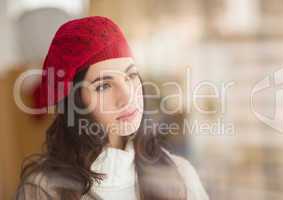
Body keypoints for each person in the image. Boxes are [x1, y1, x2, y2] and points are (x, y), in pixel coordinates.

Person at [15, 16, 209, 200]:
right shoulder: (43, 189)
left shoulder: (181, 175)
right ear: (74, 101)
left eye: (130, 76)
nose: (127, 96)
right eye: (103, 85)